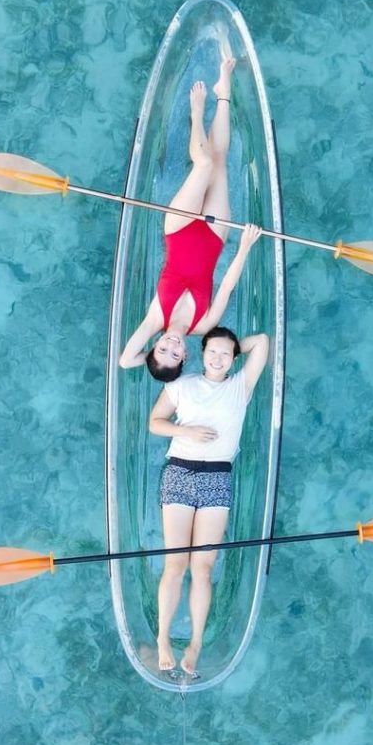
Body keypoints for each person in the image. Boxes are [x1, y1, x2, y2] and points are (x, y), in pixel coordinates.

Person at [118, 50, 262, 381]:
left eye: (161, 350)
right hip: (214, 239)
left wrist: (148, 357)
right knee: (219, 162)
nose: (170, 346)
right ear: (185, 356)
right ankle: (223, 94)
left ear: (154, 346)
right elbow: (227, 285)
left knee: (205, 164)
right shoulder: (204, 325)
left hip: (179, 229)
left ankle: (196, 114)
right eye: (175, 354)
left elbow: (125, 361)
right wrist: (244, 246)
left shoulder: (155, 320)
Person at [147, 326, 270, 675]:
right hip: (180, 472)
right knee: (175, 564)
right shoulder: (181, 385)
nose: (217, 358)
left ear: (234, 358)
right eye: (211, 351)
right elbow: (155, 423)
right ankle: (163, 638)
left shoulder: (241, 386)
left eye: (225, 354)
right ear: (201, 354)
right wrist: (185, 431)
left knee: (203, 567)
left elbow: (262, 342)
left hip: (217, 478)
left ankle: (196, 644)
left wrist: (230, 346)